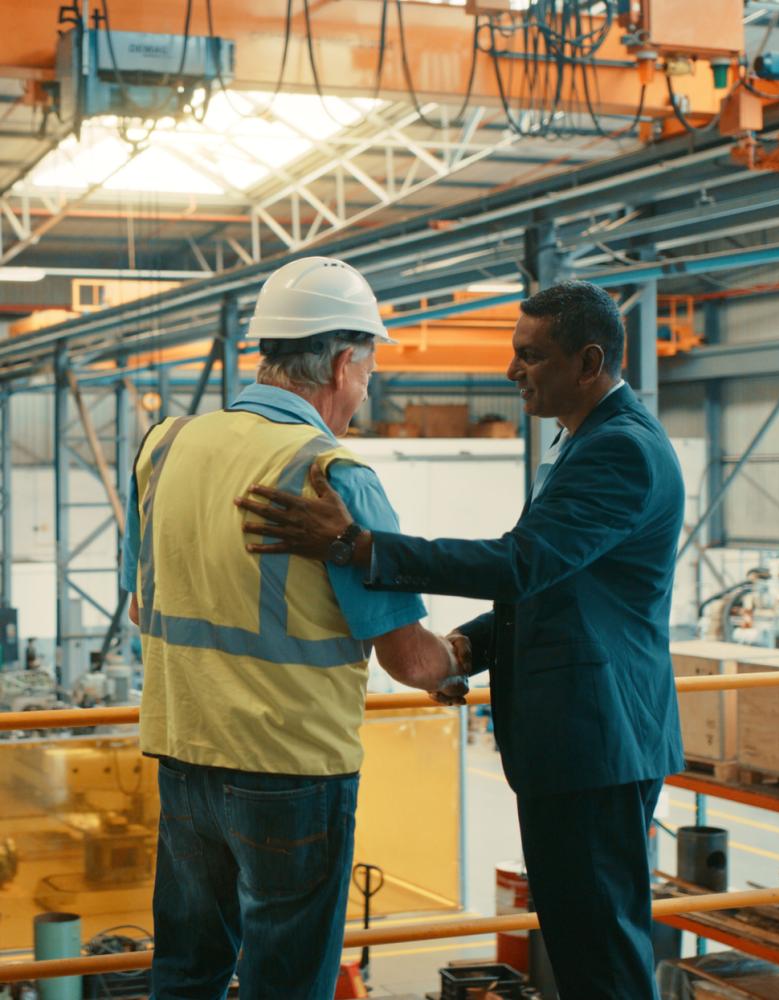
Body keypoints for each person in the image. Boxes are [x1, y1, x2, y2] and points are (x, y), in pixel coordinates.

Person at [234, 280, 686, 1000]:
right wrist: (469, 649)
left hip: (597, 743)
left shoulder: (621, 452)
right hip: (579, 743)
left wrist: (360, 545)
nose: (512, 373)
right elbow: (557, 590)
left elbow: (521, 562)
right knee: (582, 940)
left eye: (530, 357)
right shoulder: (588, 440)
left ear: (590, 361)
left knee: (601, 952)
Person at [121, 256, 468, 1000]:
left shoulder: (166, 447)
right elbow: (410, 660)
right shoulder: (333, 475)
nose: (366, 388)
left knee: (185, 972)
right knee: (287, 983)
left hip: (184, 755)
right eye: (368, 371)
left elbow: (141, 608)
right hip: (292, 773)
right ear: (343, 363)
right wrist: (462, 665)